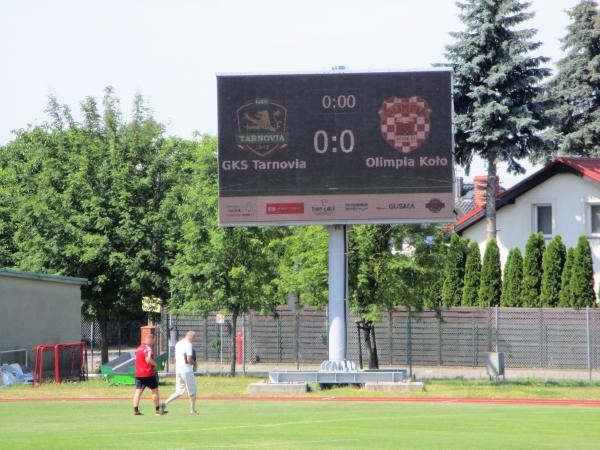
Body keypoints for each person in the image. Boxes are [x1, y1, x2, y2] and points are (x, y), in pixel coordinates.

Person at [161, 330, 198, 415]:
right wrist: (195, 364)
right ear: (190, 336)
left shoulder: (178, 344)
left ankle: (164, 403)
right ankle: (192, 411)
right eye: (194, 338)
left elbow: (176, 357)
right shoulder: (188, 344)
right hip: (187, 370)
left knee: (179, 391)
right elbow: (188, 359)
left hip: (178, 370)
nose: (194, 340)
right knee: (192, 391)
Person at [133, 333, 165, 416]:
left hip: (139, 374)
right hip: (148, 374)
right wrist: (155, 364)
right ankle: (157, 410)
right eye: (153, 340)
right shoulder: (148, 349)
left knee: (138, 391)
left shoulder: (139, 348)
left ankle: (135, 410)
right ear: (150, 339)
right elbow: (147, 359)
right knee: (154, 390)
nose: (153, 342)